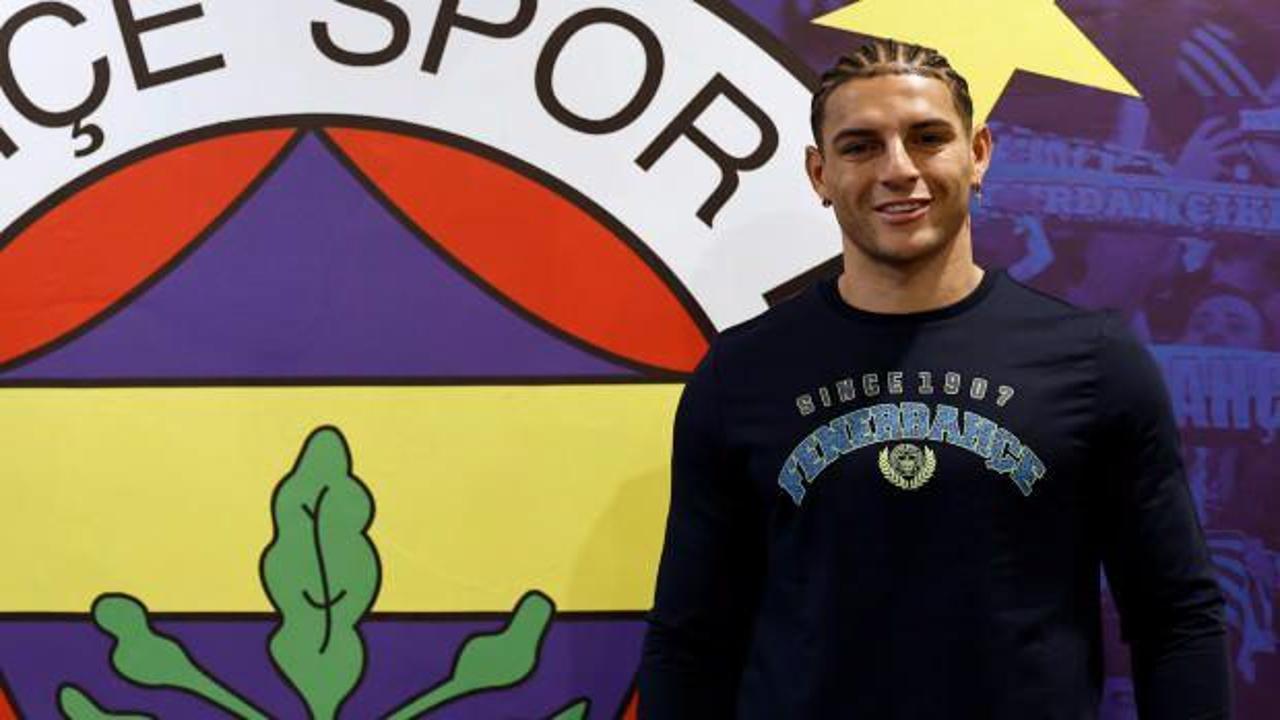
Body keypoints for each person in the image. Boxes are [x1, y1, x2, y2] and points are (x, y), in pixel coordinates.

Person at [637, 38, 1230, 718]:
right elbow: (691, 641)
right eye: (861, 146)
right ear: (819, 173)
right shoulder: (742, 373)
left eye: (927, 138)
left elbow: (1176, 618)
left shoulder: (1094, 361)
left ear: (977, 154)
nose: (898, 169)